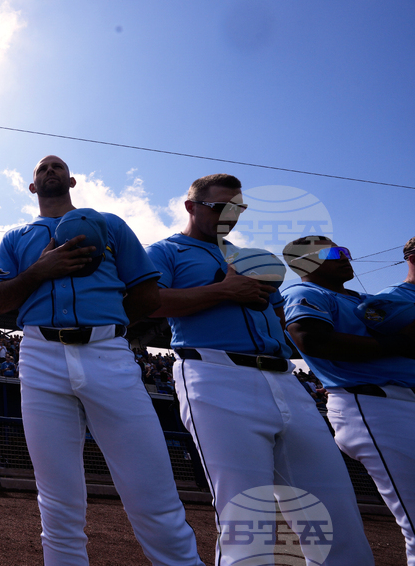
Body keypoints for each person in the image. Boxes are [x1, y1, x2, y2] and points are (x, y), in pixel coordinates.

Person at [146, 175, 372, 566]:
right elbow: (146, 303)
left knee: (335, 510)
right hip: (215, 373)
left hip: (285, 379)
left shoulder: (253, 257)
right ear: (191, 207)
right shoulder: (165, 251)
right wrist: (223, 291)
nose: (229, 216)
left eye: (237, 209)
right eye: (220, 207)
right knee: (248, 514)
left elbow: (282, 320)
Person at [0, 155, 202, 566]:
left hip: (108, 352)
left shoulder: (110, 224)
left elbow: (147, 295)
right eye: (41, 169)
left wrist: (107, 326)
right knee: (57, 499)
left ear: (71, 180)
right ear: (32, 187)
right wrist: (40, 270)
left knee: (152, 489)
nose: (50, 171)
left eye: (57, 167)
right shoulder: (16, 237)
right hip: (40, 355)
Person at [283, 235, 415, 564]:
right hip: (374, 405)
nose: (345, 256)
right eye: (333, 252)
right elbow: (312, 340)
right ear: (304, 263)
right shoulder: (305, 293)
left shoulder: (365, 300)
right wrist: (399, 344)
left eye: (344, 250)